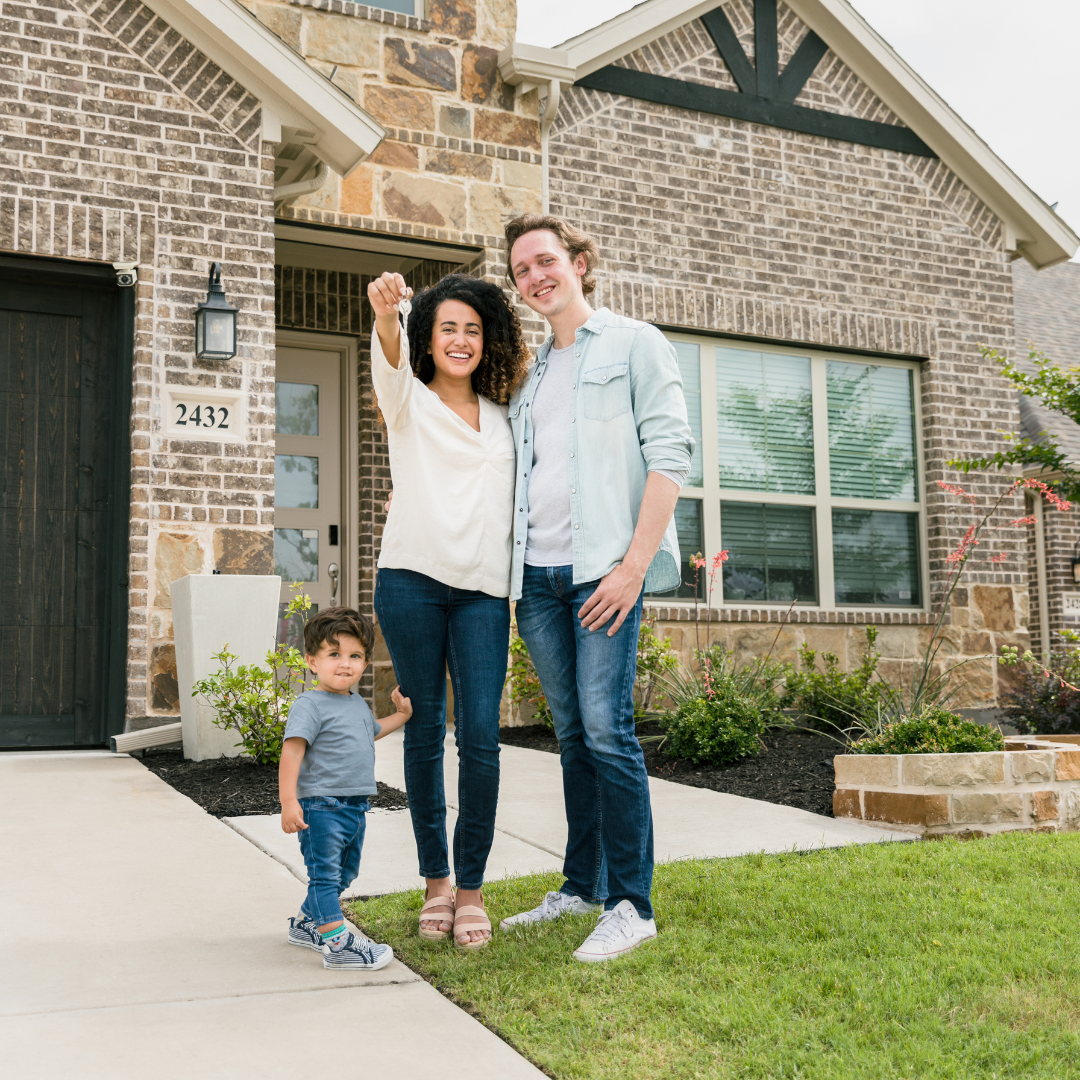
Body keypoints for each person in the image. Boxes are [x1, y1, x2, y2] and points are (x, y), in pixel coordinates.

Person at [498, 214, 694, 962]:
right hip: (538, 580)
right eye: (521, 270)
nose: (534, 277)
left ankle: (632, 905)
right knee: (574, 735)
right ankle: (581, 886)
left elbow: (671, 451)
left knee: (608, 732)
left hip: (604, 574)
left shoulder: (636, 343)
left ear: (579, 263)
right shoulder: (534, 371)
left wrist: (633, 565)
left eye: (545, 261)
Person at [366, 272, 530, 949]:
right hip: (411, 581)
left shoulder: (504, 417)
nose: (460, 339)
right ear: (427, 341)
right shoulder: (408, 401)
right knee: (426, 730)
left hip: (484, 593)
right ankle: (435, 882)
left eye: (472, 328)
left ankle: (472, 891)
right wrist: (386, 314)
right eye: (447, 328)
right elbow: (388, 352)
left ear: (485, 338)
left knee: (483, 739)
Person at [279, 606, 412, 969]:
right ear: (312, 661)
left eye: (354, 656)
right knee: (324, 876)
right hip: (320, 807)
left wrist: (401, 715)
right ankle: (338, 946)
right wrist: (289, 800)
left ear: (365, 663)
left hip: (354, 808)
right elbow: (291, 752)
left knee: (345, 873)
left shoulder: (355, 702)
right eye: (333, 654)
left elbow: (373, 731)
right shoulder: (309, 704)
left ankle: (308, 924)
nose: (345, 664)